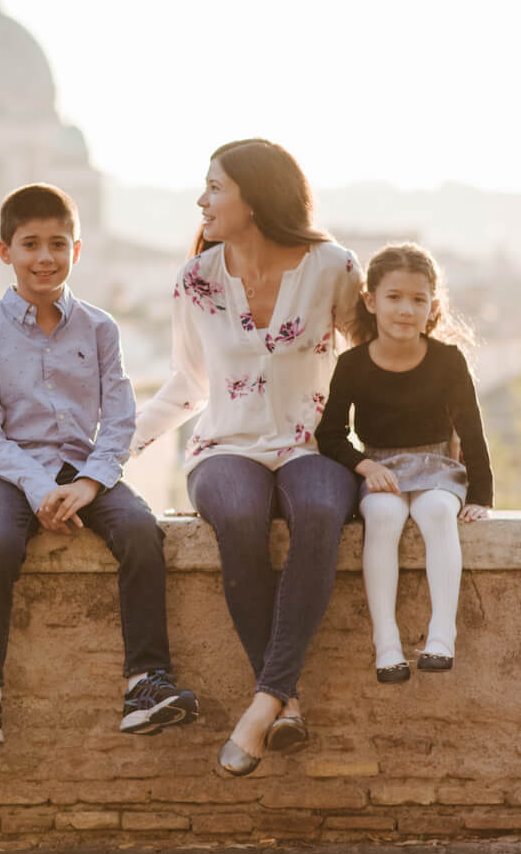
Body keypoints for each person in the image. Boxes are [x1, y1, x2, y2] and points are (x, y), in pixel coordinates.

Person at [133, 138, 362, 777]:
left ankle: (266, 702)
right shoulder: (196, 281)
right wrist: (110, 455)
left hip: (310, 443)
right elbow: (187, 384)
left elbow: (372, 362)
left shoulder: (333, 268)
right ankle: (283, 699)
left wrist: (422, 443)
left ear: (254, 200)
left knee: (319, 511)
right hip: (224, 446)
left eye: (215, 188)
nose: (201, 201)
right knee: (237, 516)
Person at [0, 183, 199, 745]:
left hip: (83, 470)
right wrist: (39, 487)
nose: (45, 257)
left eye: (58, 244)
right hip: (9, 473)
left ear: (77, 250)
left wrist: (90, 481)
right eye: (30, 244)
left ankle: (146, 682)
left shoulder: (100, 327)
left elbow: (119, 417)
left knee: (141, 532)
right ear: (5, 252)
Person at [315, 242, 491, 683]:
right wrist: (366, 468)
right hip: (381, 467)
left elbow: (471, 431)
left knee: (436, 511)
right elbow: (330, 434)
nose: (406, 310)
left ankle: (441, 637)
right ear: (371, 301)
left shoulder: (448, 362)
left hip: (437, 466)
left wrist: (481, 496)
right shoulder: (353, 365)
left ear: (433, 305)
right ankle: (387, 644)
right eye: (394, 298)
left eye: (418, 299)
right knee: (383, 515)